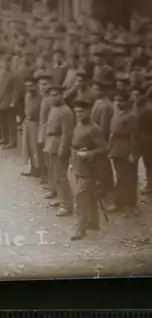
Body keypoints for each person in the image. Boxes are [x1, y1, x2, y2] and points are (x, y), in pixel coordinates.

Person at [70, 99, 108, 241]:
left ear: (89, 111)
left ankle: (80, 229)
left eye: (82, 111)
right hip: (78, 164)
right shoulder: (79, 124)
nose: (79, 114)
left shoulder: (94, 129)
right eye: (77, 111)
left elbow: (104, 148)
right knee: (90, 195)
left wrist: (89, 154)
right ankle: (93, 222)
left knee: (80, 197)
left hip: (88, 168)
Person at [44, 85, 74, 217]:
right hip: (52, 143)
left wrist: (63, 149)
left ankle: (67, 205)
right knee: (55, 175)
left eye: (57, 94)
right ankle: (61, 199)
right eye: (52, 95)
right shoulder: (53, 108)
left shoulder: (65, 111)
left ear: (62, 95)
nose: (54, 97)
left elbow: (67, 133)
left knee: (61, 177)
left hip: (59, 144)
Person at [108, 90, 140, 216]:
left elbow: (134, 136)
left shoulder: (131, 116)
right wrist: (110, 148)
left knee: (129, 178)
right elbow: (112, 134)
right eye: (116, 100)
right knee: (121, 177)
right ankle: (119, 202)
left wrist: (134, 153)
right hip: (117, 149)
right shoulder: (116, 115)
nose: (118, 102)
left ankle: (130, 205)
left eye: (121, 100)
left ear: (127, 101)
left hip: (126, 149)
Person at [91, 69, 116, 208]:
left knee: (103, 170)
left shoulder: (106, 106)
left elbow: (103, 128)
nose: (93, 90)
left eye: (95, 88)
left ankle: (106, 195)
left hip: (100, 143)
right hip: (95, 141)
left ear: (101, 90)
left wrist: (98, 143)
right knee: (98, 169)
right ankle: (101, 192)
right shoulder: (98, 102)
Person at [0, 54, 19, 149]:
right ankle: (5, 138)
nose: (7, 64)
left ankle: (12, 141)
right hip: (0, 102)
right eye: (5, 62)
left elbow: (16, 90)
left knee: (11, 122)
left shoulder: (14, 75)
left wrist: (13, 102)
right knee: (2, 121)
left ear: (11, 63)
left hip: (9, 102)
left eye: (9, 62)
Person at [131, 85, 152, 195]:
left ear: (143, 95)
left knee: (149, 163)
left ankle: (150, 186)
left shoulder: (148, 109)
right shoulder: (135, 105)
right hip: (138, 138)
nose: (135, 97)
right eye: (133, 94)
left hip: (147, 140)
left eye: (137, 95)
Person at [21, 75, 43, 177]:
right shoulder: (27, 95)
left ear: (35, 85)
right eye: (27, 86)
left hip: (36, 123)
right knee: (28, 147)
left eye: (31, 86)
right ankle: (33, 167)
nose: (29, 88)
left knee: (36, 148)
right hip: (28, 123)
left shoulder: (40, 97)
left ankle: (40, 169)